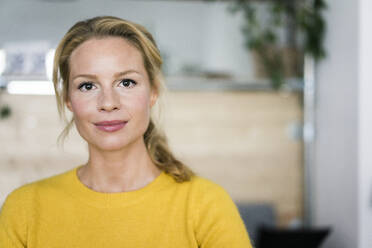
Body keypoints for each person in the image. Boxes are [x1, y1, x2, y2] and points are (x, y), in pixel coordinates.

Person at [0, 16, 252, 248]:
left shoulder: (206, 204)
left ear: (153, 91)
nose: (108, 102)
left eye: (126, 82)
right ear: (68, 99)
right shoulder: (24, 209)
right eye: (87, 85)